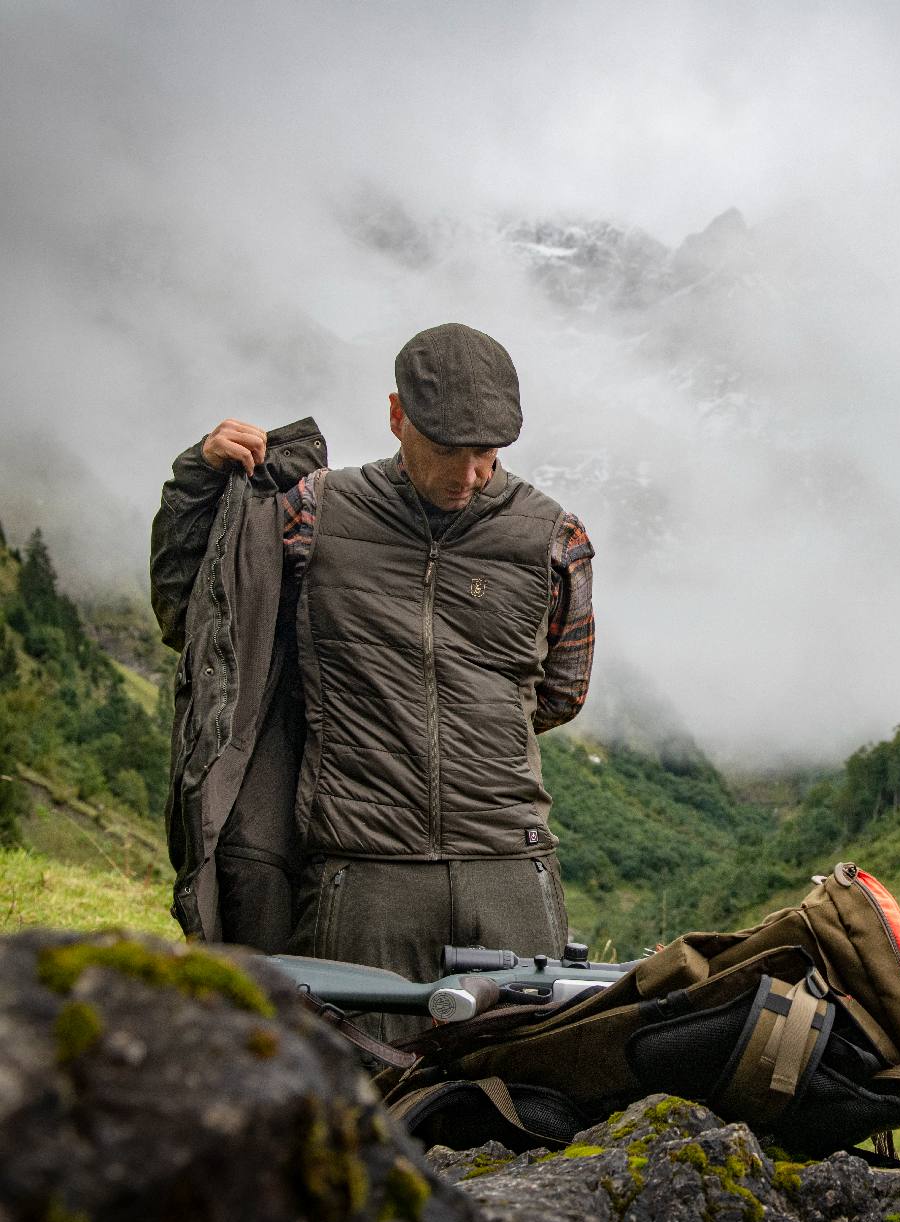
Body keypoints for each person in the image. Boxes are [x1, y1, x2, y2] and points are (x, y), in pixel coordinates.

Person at [151, 322, 595, 1038]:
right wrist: (199, 482)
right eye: (448, 450)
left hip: (511, 871)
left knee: (526, 1104)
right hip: (359, 876)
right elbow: (201, 626)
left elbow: (560, 694)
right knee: (355, 1098)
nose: (469, 476)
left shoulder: (553, 538)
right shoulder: (313, 514)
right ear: (397, 417)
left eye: (486, 454)